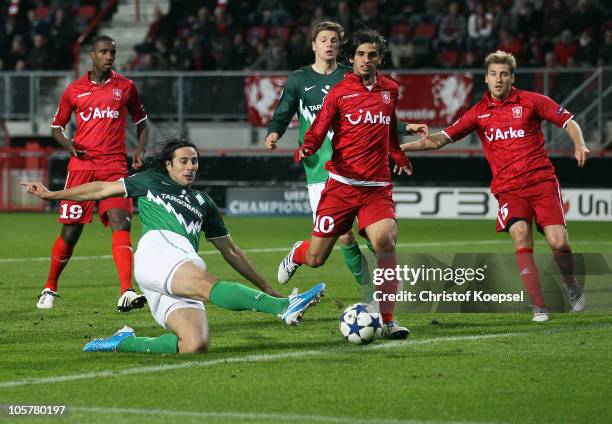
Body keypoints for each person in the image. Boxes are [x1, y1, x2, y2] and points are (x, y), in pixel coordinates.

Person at [22, 136, 326, 354]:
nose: (191, 166)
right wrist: (53, 195)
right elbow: (102, 188)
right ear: (168, 165)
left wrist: (266, 286)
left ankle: (122, 342)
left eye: (194, 161)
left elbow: (231, 251)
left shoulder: (204, 202)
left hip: (178, 266)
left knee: (194, 345)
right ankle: (283, 307)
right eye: (184, 161)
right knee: (208, 284)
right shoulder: (150, 181)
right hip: (159, 251)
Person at [401, 50, 588, 322]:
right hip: (509, 189)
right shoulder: (478, 113)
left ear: (512, 78)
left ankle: (570, 284)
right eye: (493, 74)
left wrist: (579, 143)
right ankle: (539, 306)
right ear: (486, 79)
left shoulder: (531, 101)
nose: (498, 79)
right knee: (521, 236)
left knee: (559, 244)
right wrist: (400, 149)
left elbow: (568, 121)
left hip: (542, 183)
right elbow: (440, 139)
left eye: (503, 74)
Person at [276, 29, 427, 340]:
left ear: (380, 58)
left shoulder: (390, 90)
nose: (366, 60)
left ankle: (387, 320)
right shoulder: (340, 92)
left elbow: (389, 130)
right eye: (360, 54)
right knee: (317, 258)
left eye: (372, 55)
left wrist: (398, 155)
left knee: (385, 240)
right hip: (341, 185)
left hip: (376, 187)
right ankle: (297, 254)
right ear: (351, 58)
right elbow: (318, 129)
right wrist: (308, 147)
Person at [38, 35, 148, 312]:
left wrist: (140, 151)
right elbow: (56, 127)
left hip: (114, 167)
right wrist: (68, 145)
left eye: (113, 52)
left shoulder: (126, 87)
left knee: (121, 222)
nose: (110, 56)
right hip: (82, 168)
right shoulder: (74, 90)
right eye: (104, 52)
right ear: (92, 54)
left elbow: (142, 122)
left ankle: (126, 290)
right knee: (71, 232)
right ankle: (50, 286)